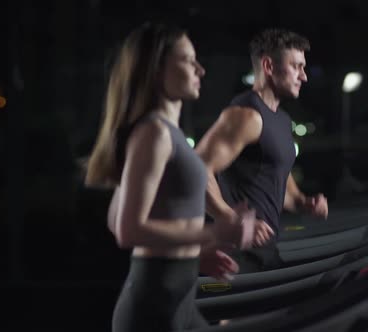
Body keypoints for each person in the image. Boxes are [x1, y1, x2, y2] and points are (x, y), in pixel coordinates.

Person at [84, 22, 256, 332]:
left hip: (177, 300)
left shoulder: (165, 133)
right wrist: (214, 234)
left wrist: (193, 254)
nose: (200, 70)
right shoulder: (153, 134)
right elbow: (128, 230)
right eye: (189, 60)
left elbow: (114, 218)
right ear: (157, 69)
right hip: (153, 310)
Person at [196, 28, 329, 273]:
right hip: (233, 256)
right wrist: (231, 218)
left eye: (304, 67)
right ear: (268, 66)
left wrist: (303, 202)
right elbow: (196, 169)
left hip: (265, 251)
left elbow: (275, 180)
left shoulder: (282, 119)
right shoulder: (245, 116)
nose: (304, 76)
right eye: (296, 67)